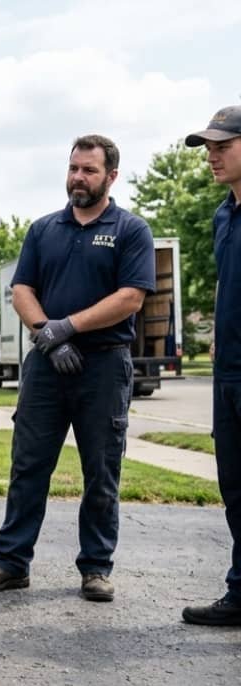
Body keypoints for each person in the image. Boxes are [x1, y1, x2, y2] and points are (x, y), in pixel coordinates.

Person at [0, 135, 155, 602]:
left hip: (103, 367)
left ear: (111, 176)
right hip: (48, 367)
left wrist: (67, 326)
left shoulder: (131, 230)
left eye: (89, 170)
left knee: (101, 470)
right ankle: (12, 562)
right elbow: (22, 289)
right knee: (28, 466)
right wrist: (45, 335)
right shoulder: (44, 229)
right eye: (73, 168)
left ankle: (95, 567)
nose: (78, 177)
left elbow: (130, 298)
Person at [181, 107, 241, 625]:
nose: (212, 156)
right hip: (229, 376)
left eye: (222, 146)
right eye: (207, 148)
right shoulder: (224, 215)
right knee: (236, 487)